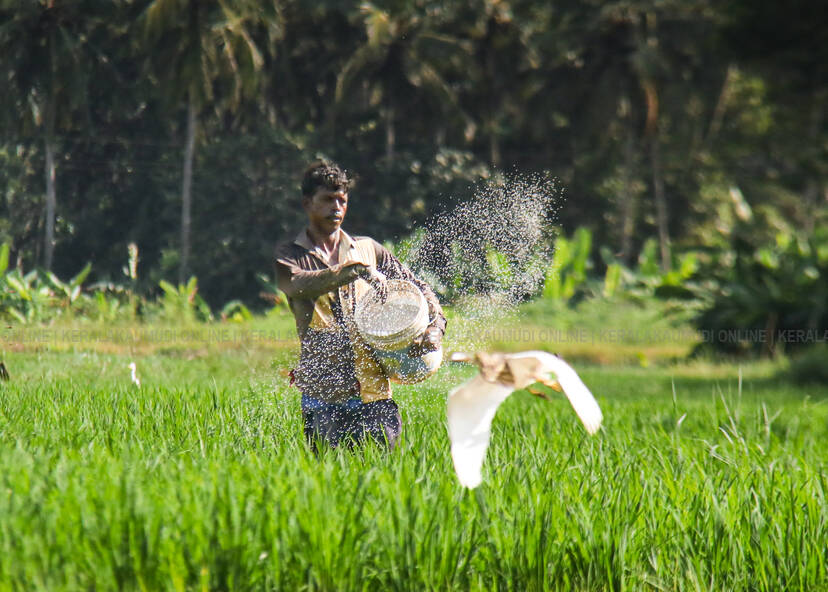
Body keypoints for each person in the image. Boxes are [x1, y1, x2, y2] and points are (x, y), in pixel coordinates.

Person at [275, 160, 446, 451]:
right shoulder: (291, 257)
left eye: (342, 200)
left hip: (375, 395)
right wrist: (353, 270)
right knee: (329, 485)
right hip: (324, 399)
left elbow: (419, 287)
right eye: (328, 200)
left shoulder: (368, 248)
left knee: (381, 483)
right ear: (307, 203)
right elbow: (300, 284)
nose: (337, 208)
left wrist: (436, 328)